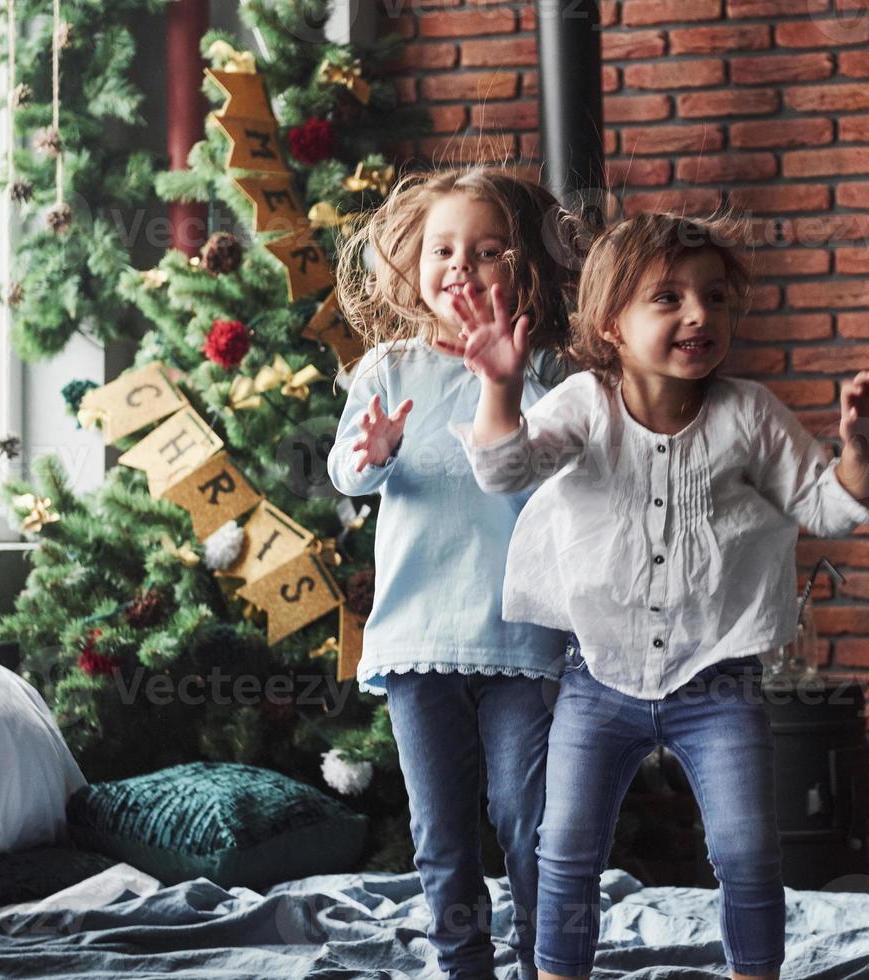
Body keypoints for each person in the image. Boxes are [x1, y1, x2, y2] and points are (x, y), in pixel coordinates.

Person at [449, 210, 869, 980]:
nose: (700, 314)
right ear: (612, 324)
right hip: (596, 679)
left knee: (748, 850)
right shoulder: (583, 407)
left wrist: (859, 453)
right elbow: (504, 470)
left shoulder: (750, 415)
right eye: (668, 298)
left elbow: (826, 507)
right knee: (565, 850)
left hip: (717, 680)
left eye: (717, 297)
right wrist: (499, 389)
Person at [326, 164, 581, 980]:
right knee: (440, 831)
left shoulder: (547, 375)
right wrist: (370, 455)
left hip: (522, 639)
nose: (460, 268)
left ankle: (550, 962)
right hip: (415, 638)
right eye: (443, 249)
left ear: (526, 267)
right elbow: (347, 476)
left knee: (529, 817)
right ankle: (464, 965)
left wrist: (505, 383)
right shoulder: (387, 371)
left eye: (487, 251)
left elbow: (564, 489)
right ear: (415, 262)